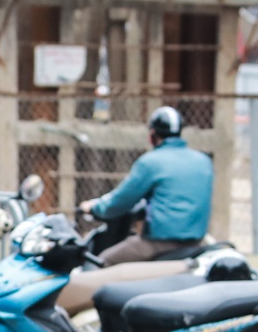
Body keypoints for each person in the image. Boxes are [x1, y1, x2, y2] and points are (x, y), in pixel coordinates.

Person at [76, 106, 214, 263]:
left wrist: (94, 208)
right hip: (196, 242)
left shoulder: (150, 162)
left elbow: (121, 201)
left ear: (153, 134)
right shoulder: (203, 161)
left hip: (160, 243)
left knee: (101, 262)